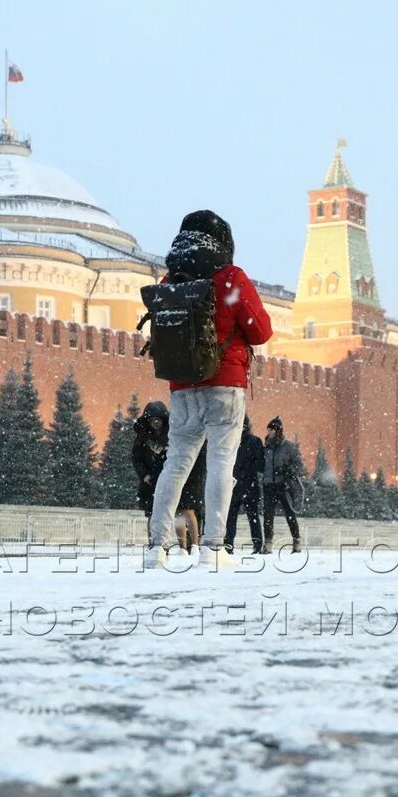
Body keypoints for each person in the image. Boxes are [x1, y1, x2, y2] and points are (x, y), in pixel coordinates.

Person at [144, 211, 273, 569]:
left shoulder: (172, 278)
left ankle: (157, 547)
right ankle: (213, 548)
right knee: (220, 462)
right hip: (225, 382)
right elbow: (261, 331)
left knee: (175, 465)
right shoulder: (230, 277)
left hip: (182, 384)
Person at [132, 400, 207, 551]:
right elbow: (136, 457)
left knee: (184, 510)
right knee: (152, 513)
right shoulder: (142, 437)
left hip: (173, 477)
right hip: (152, 480)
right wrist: (144, 474)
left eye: (158, 420)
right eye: (152, 420)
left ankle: (190, 546)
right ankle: (154, 544)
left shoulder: (173, 434)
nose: (155, 423)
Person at [261, 416, 303, 553]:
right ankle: (267, 545)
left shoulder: (288, 447)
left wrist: (286, 470)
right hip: (268, 485)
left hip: (284, 485)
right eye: (268, 429)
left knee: (290, 514)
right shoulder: (266, 447)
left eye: (271, 429)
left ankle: (296, 542)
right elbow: (262, 465)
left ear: (277, 430)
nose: (268, 432)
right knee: (268, 516)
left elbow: (298, 465)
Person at [224, 414, 265, 554]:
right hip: (242, 484)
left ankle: (231, 544)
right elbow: (260, 464)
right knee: (246, 517)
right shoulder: (251, 441)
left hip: (241, 484)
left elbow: (260, 464)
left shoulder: (234, 441)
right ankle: (253, 544)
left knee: (237, 517)